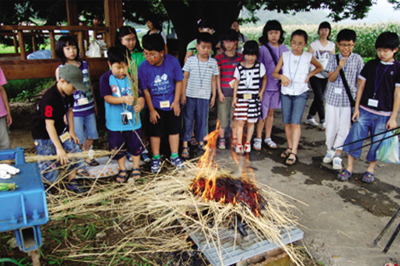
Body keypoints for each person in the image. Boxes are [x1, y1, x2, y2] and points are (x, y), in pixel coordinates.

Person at [338, 31, 400, 183]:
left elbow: (398, 94)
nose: (381, 53)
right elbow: (361, 87)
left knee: (377, 143)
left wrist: (393, 118)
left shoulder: (398, 68)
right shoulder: (371, 64)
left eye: (385, 50)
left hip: (384, 114)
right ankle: (349, 167)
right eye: (379, 50)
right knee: (355, 137)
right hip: (365, 110)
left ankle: (370, 170)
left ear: (395, 50)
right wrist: (357, 108)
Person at [31, 64, 89, 193]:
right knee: (49, 160)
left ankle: (72, 180)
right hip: (44, 134)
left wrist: (71, 131)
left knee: (75, 150)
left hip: (61, 130)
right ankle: (49, 187)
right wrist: (59, 147)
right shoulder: (50, 98)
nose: (75, 90)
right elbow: (48, 124)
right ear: (62, 81)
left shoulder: (68, 93)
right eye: (73, 87)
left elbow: (70, 111)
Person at [272, 30, 323, 165]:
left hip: (300, 92)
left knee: (295, 123)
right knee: (287, 122)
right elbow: (275, 73)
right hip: (286, 92)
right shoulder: (285, 55)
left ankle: (294, 151)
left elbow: (319, 67)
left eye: (300, 44)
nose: (296, 46)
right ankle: (289, 147)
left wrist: (309, 75)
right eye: (294, 43)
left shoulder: (308, 56)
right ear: (290, 42)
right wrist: (282, 76)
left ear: (305, 44)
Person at [138, 34, 185, 173]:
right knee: (154, 132)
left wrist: (176, 101)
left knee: (174, 129)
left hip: (171, 103)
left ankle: (175, 156)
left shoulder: (172, 62)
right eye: (146, 54)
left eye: (152, 54)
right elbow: (145, 90)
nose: (148, 57)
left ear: (162, 52)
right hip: (154, 104)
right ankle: (156, 158)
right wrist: (151, 110)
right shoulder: (143, 67)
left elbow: (179, 81)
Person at [100, 47, 145, 183]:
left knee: (135, 144)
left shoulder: (132, 78)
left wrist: (140, 104)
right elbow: (107, 97)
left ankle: (136, 167)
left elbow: (141, 96)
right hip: (115, 122)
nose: (121, 71)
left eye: (124, 67)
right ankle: (122, 168)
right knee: (118, 147)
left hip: (133, 122)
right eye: (118, 67)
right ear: (109, 65)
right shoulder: (106, 78)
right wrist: (123, 99)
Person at [55, 36, 99, 167]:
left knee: (92, 133)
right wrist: (63, 113)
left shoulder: (84, 65)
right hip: (73, 110)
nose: (71, 51)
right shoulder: (61, 69)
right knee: (77, 135)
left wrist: (95, 103)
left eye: (74, 47)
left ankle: (87, 155)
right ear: (61, 50)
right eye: (67, 48)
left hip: (89, 106)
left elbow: (89, 84)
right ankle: (79, 160)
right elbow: (60, 92)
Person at [323, 29, 364, 170]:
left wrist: (359, 101)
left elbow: (360, 81)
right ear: (337, 44)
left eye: (350, 45)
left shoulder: (358, 59)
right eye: (343, 45)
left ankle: (338, 153)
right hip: (332, 99)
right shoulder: (332, 58)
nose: (346, 48)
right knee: (331, 126)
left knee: (344, 128)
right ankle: (330, 149)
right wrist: (339, 67)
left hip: (348, 101)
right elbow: (331, 78)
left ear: (354, 45)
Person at [115, 26, 151, 163]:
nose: (131, 42)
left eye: (133, 39)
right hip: (125, 94)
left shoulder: (141, 54)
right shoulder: (118, 56)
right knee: (128, 122)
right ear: (120, 40)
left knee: (142, 122)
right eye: (127, 40)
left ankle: (143, 148)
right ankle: (130, 149)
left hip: (140, 91)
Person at [181, 33, 219, 157]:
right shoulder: (191, 60)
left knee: (203, 120)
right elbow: (184, 77)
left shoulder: (213, 62)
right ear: (197, 46)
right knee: (188, 119)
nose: (206, 50)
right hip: (190, 95)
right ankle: (185, 145)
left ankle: (201, 141)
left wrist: (213, 95)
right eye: (203, 47)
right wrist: (183, 94)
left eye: (209, 47)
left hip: (205, 96)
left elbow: (214, 79)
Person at [254, 20, 289, 151]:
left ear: (281, 33)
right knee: (261, 113)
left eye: (276, 32)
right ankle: (258, 138)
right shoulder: (262, 49)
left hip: (278, 87)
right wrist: (258, 87)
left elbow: (288, 68)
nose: (274, 35)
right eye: (270, 33)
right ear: (266, 34)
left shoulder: (285, 49)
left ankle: (268, 137)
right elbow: (258, 69)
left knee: (270, 112)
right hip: (264, 87)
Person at [232, 40, 267, 154]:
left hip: (253, 99)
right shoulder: (239, 67)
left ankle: (247, 142)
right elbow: (236, 82)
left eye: (253, 54)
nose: (250, 57)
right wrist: (234, 97)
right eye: (248, 54)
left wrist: (261, 92)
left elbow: (265, 78)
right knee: (240, 122)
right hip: (241, 98)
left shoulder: (259, 66)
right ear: (244, 54)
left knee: (251, 122)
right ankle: (239, 143)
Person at [215, 29, 243, 150]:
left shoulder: (241, 58)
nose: (229, 44)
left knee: (235, 117)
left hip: (237, 94)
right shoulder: (219, 58)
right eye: (226, 42)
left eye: (231, 41)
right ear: (222, 43)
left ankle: (234, 138)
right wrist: (219, 92)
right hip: (224, 93)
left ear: (236, 42)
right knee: (222, 117)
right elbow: (217, 76)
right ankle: (222, 138)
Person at [305, 22, 336, 130]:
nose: (324, 32)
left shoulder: (331, 45)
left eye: (326, 30)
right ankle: (323, 120)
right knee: (319, 97)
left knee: (319, 97)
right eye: (322, 29)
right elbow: (308, 60)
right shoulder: (314, 45)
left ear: (329, 31)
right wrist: (307, 74)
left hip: (325, 75)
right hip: (314, 74)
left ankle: (310, 117)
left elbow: (333, 60)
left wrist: (332, 73)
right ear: (319, 31)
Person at [0, 67, 11, 150]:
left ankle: (6, 163)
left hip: (1, 114)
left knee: (5, 146)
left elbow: (2, 90)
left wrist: (8, 111)